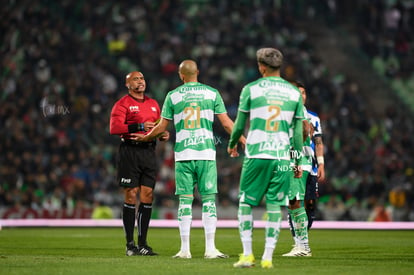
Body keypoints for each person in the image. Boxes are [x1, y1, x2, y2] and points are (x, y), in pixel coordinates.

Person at [131, 60, 245, 259]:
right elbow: (227, 124)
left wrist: (146, 136)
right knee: (209, 201)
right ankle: (210, 249)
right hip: (205, 154)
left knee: (185, 201)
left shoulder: (173, 96)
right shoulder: (212, 93)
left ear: (180, 75)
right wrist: (242, 140)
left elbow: (161, 127)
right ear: (197, 73)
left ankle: (185, 250)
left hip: (183, 155)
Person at [227, 48, 304, 269]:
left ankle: (248, 255)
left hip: (257, 154)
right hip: (281, 157)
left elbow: (240, 125)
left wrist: (232, 145)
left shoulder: (251, 89)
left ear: (261, 66)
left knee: (246, 203)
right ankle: (268, 258)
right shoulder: (294, 93)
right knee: (275, 206)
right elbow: (297, 135)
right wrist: (297, 161)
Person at [109, 71, 170, 256]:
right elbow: (114, 128)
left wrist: (162, 134)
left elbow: (160, 126)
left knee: (148, 194)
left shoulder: (153, 104)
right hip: (130, 151)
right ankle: (130, 244)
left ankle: (143, 244)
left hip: (148, 152)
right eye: (135, 79)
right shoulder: (122, 104)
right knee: (131, 194)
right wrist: (140, 127)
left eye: (142, 78)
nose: (140, 81)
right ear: (127, 84)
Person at [283, 80, 314, 257]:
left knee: (295, 201)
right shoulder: (291, 106)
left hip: (296, 158)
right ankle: (299, 245)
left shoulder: (296, 106)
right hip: (290, 158)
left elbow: (304, 130)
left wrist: (295, 157)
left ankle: (304, 247)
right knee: (292, 202)